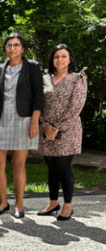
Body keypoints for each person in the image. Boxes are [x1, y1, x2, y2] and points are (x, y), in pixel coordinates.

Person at [0, 33, 44, 219]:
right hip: (0, 121)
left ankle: (19, 204)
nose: (12, 48)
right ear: (5, 49)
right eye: (9, 45)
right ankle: (3, 203)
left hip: (23, 121)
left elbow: (39, 97)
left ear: (23, 49)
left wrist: (34, 122)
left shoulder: (32, 67)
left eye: (16, 45)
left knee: (18, 164)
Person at [37, 44, 87, 221]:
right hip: (46, 129)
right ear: (52, 60)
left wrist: (57, 126)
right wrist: (44, 125)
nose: (60, 59)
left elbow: (76, 106)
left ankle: (68, 206)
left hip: (67, 129)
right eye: (56, 56)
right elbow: (38, 104)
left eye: (64, 56)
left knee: (63, 167)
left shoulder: (77, 79)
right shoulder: (45, 79)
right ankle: (53, 203)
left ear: (70, 59)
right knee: (51, 167)